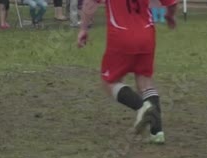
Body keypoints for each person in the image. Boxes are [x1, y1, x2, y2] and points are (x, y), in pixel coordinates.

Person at [76, 0, 178, 144]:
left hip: (120, 35)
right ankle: (157, 132)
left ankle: (142, 108)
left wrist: (83, 28)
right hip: (146, 34)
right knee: (145, 82)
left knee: (109, 82)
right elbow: (172, 3)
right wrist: (169, 16)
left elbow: (90, 3)